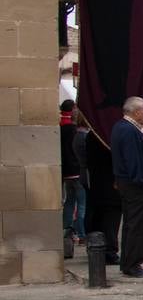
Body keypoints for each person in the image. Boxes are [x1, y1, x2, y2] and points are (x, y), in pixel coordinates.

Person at [110, 96, 143, 278]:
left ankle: (128, 261)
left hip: (128, 183)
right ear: (136, 111)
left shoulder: (122, 128)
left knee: (132, 223)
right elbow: (133, 162)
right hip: (135, 186)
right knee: (138, 225)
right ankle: (133, 263)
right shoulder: (128, 131)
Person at [60, 101, 86, 244]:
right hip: (77, 170)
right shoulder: (76, 132)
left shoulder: (61, 128)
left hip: (67, 171)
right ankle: (81, 233)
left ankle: (67, 230)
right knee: (82, 203)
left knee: (69, 201)